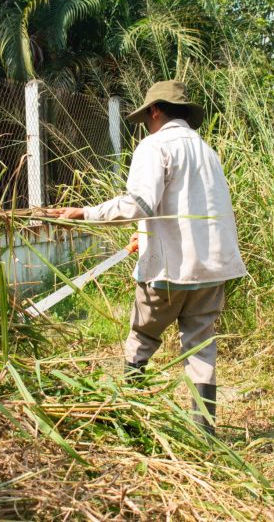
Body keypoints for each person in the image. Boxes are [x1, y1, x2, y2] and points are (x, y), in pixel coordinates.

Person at [47, 80, 246, 434]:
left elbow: (139, 204)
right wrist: (145, 235)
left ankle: (131, 419)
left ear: (155, 110)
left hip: (170, 270)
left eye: (147, 115)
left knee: (141, 336)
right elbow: (189, 207)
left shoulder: (155, 146)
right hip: (212, 268)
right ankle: (205, 432)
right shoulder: (206, 150)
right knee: (200, 346)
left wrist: (84, 213)